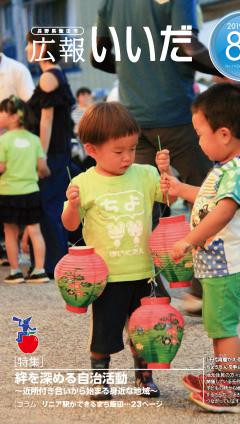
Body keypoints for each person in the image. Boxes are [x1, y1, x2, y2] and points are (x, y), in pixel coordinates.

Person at [93, 0, 223, 308]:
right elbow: (187, 46)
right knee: (210, 194)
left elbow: (98, 56)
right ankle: (202, 290)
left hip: (134, 120)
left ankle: (152, 292)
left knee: (144, 208)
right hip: (176, 114)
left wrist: (131, 68)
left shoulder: (110, 3)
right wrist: (226, 68)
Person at [61, 102, 174, 400]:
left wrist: (165, 173)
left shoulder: (145, 174)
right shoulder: (83, 182)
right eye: (118, 151)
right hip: (107, 276)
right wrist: (72, 204)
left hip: (144, 272)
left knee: (145, 329)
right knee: (104, 332)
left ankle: (143, 378)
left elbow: (168, 197)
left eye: (132, 149)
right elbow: (70, 225)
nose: (127, 157)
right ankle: (100, 379)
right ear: (92, 149)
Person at [160, 83, 240, 413]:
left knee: (222, 329)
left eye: (201, 135)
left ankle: (230, 392)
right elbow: (207, 200)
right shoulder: (229, 168)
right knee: (218, 327)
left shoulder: (239, 172)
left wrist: (189, 239)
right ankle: (222, 380)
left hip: (226, 266)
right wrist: (178, 187)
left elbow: (223, 211)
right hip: (220, 264)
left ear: (225, 134)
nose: (198, 143)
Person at [26, 32, 75, 278]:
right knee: (51, 206)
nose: (26, 49)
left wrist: (40, 157)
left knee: (49, 207)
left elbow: (47, 120)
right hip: (56, 152)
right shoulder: (55, 74)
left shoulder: (48, 77)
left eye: (30, 44)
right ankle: (53, 263)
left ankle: (54, 265)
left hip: (51, 154)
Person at [0, 96, 50, 284]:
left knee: (10, 232)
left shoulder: (3, 140)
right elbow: (42, 168)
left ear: (14, 117)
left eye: (2, 111)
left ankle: (15, 271)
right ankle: (39, 270)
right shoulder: (34, 140)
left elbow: (1, 168)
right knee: (35, 230)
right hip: (31, 191)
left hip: (8, 193)